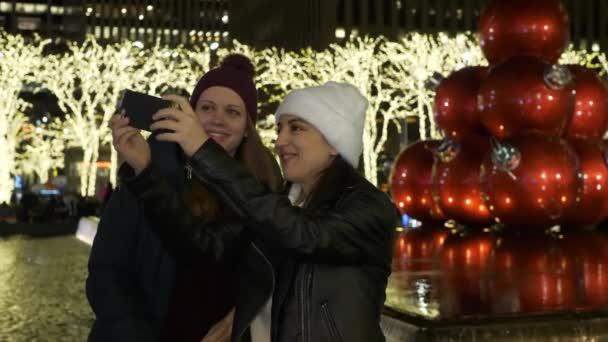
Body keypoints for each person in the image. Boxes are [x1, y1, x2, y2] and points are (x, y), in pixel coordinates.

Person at [113, 81, 398, 341]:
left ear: (334, 143)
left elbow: (306, 236)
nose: (280, 141)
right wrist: (145, 172)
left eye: (296, 128)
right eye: (279, 129)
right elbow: (205, 248)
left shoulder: (369, 206)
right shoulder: (283, 202)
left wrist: (202, 148)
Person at [87, 54, 282, 342]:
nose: (218, 120)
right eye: (207, 108)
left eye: (233, 112)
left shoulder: (260, 187)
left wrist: (242, 313)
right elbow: (106, 271)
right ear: (190, 114)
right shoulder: (147, 168)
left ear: (247, 130)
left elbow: (258, 268)